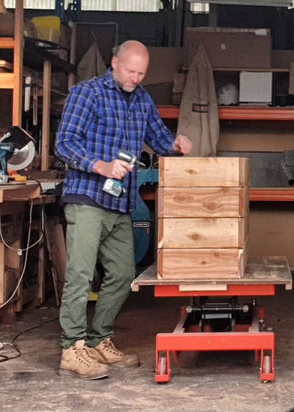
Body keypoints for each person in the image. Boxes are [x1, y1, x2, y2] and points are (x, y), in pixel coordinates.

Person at [55, 39, 192, 380]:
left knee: (123, 274)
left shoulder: (142, 98)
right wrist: (99, 165)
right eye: (130, 71)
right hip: (86, 197)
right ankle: (72, 348)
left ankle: (100, 338)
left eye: (141, 73)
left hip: (119, 202)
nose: (135, 78)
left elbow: (159, 138)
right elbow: (64, 144)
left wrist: (176, 145)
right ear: (114, 63)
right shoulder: (87, 93)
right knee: (81, 275)